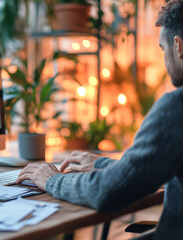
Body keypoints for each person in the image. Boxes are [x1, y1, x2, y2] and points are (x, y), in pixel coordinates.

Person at [16, 0, 183, 239]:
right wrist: (103, 165)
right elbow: (150, 175)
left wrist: (51, 179)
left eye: (162, 49)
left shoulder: (176, 108)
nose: (164, 59)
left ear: (178, 47)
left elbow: (109, 193)